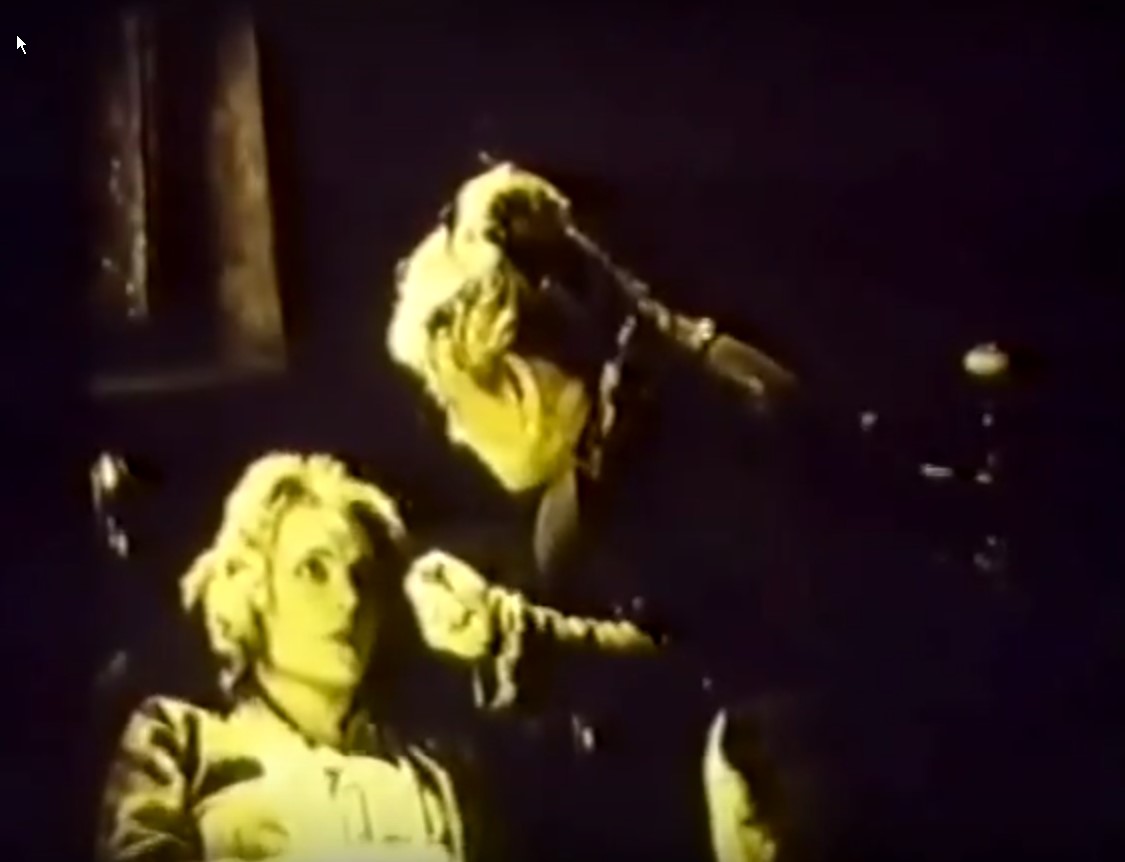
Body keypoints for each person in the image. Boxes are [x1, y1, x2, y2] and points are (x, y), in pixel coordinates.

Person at [386, 163, 793, 862]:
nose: (454, 435)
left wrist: (509, 634)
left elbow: (696, 667)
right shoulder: (689, 374)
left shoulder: (612, 495)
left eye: (450, 401)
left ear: (516, 381)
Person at [97, 453, 485, 862]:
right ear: (253, 590)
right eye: (313, 571)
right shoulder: (179, 744)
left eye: (361, 577)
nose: (349, 600)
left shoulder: (436, 777)